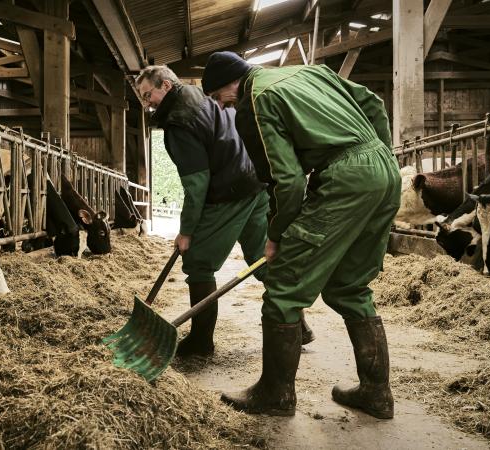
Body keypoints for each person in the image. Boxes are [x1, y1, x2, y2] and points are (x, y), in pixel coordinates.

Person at [201, 51, 400, 419]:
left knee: (282, 288)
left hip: (345, 179)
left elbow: (286, 182)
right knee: (350, 286)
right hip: (384, 170)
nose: (222, 105)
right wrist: (379, 155)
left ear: (231, 82)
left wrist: (277, 233)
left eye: (218, 97)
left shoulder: (254, 101)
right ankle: (376, 392)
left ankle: (275, 395)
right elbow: (374, 104)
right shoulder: (313, 73)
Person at [136, 65, 315, 358]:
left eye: (148, 95)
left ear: (166, 86)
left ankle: (200, 341)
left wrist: (187, 231)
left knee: (197, 262)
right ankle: (297, 326)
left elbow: (196, 184)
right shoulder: (199, 96)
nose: (147, 103)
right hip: (255, 183)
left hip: (230, 190)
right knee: (262, 257)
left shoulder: (179, 120)